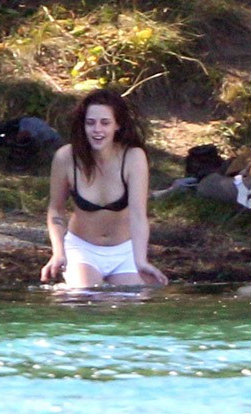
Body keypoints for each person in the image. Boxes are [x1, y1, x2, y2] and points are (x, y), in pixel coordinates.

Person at [40, 89, 168, 288]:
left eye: (105, 123)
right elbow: (56, 209)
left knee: (134, 298)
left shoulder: (133, 157)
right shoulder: (66, 157)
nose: (97, 130)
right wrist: (58, 253)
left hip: (124, 251)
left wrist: (140, 260)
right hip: (82, 250)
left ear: (117, 125)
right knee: (87, 295)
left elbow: (138, 214)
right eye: (90, 123)